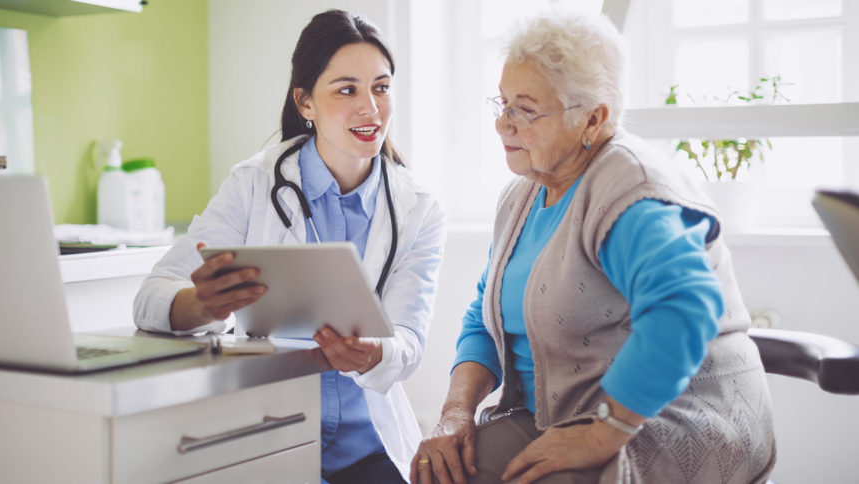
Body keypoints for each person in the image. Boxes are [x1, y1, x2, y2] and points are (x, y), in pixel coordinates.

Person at [411, 11, 775, 484]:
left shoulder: (630, 187)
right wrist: (456, 411)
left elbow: (685, 308)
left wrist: (604, 432)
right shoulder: (522, 193)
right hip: (560, 414)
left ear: (593, 118)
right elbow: (486, 314)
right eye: (502, 103)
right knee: (436, 470)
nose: (504, 124)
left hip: (669, 416)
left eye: (526, 109)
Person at [133, 9, 445, 483]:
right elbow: (150, 296)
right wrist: (201, 304)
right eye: (347, 90)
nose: (371, 109)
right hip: (271, 431)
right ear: (305, 102)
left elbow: (409, 341)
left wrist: (373, 351)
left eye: (381, 88)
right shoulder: (254, 183)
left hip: (370, 446)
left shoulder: (418, 208)